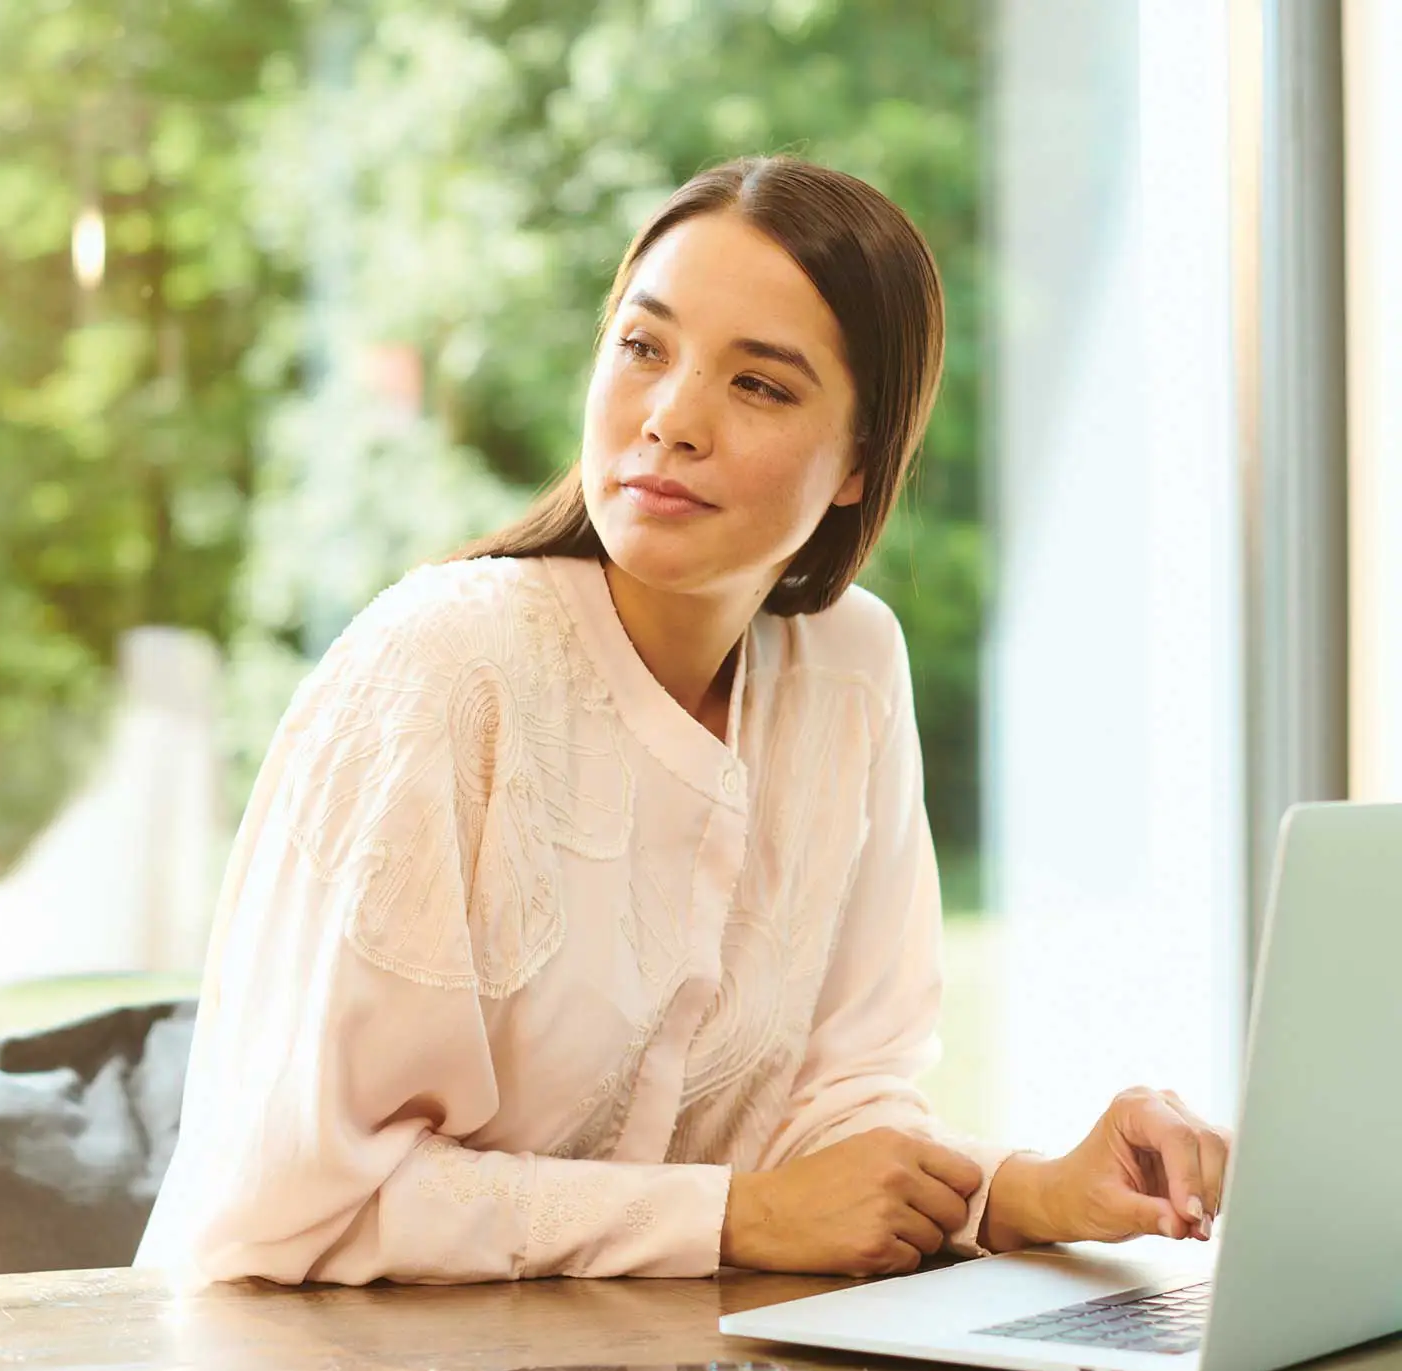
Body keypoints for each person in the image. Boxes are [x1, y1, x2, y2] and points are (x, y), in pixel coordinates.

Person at [136, 154, 1230, 1287]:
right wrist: (732, 1219)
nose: (670, 420)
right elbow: (302, 1209)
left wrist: (1035, 1193)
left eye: (759, 385)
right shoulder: (440, 668)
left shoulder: (852, 668)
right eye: (643, 348)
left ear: (861, 461)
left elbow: (838, 1116)